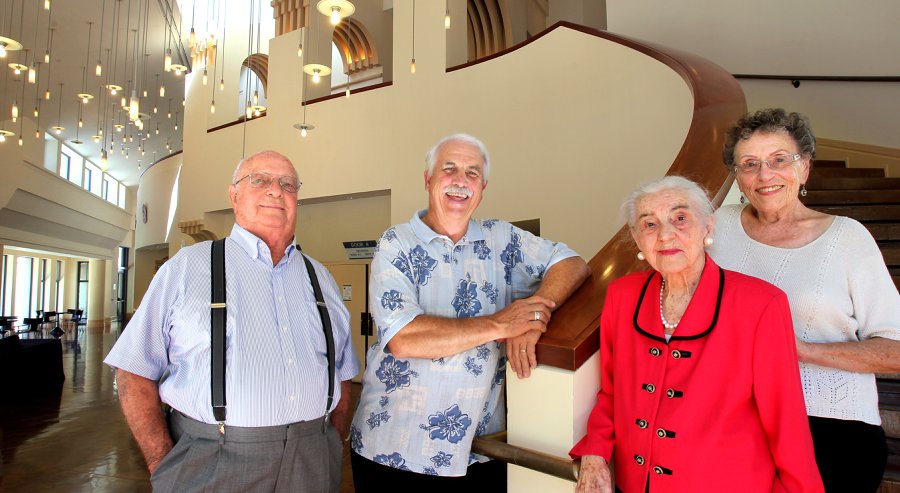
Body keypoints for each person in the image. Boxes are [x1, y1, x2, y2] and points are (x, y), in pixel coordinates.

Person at [104, 150, 359, 493]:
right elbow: (133, 371)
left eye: (287, 183)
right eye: (260, 180)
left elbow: (343, 373)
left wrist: (328, 439)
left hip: (312, 462)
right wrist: (162, 463)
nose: (275, 190)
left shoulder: (321, 278)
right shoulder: (185, 269)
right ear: (234, 195)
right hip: (212, 462)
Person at [349, 133, 590, 490]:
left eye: (472, 173)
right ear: (428, 180)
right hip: (394, 450)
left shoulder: (502, 239)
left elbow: (572, 262)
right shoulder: (395, 242)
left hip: (479, 452)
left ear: (483, 187)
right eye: (449, 169)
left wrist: (535, 316)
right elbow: (404, 338)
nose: (461, 181)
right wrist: (500, 324)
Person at [570, 176, 823, 493]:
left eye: (680, 218)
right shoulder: (623, 296)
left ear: (707, 227)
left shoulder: (761, 305)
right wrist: (595, 452)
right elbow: (612, 393)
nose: (664, 235)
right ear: (636, 238)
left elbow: (786, 422)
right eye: (649, 224)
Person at [711, 108, 900, 492]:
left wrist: (796, 350)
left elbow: (895, 351)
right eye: (750, 164)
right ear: (738, 176)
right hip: (736, 420)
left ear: (805, 167)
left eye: (780, 159)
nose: (765, 175)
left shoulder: (847, 238)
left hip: (832, 428)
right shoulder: (719, 225)